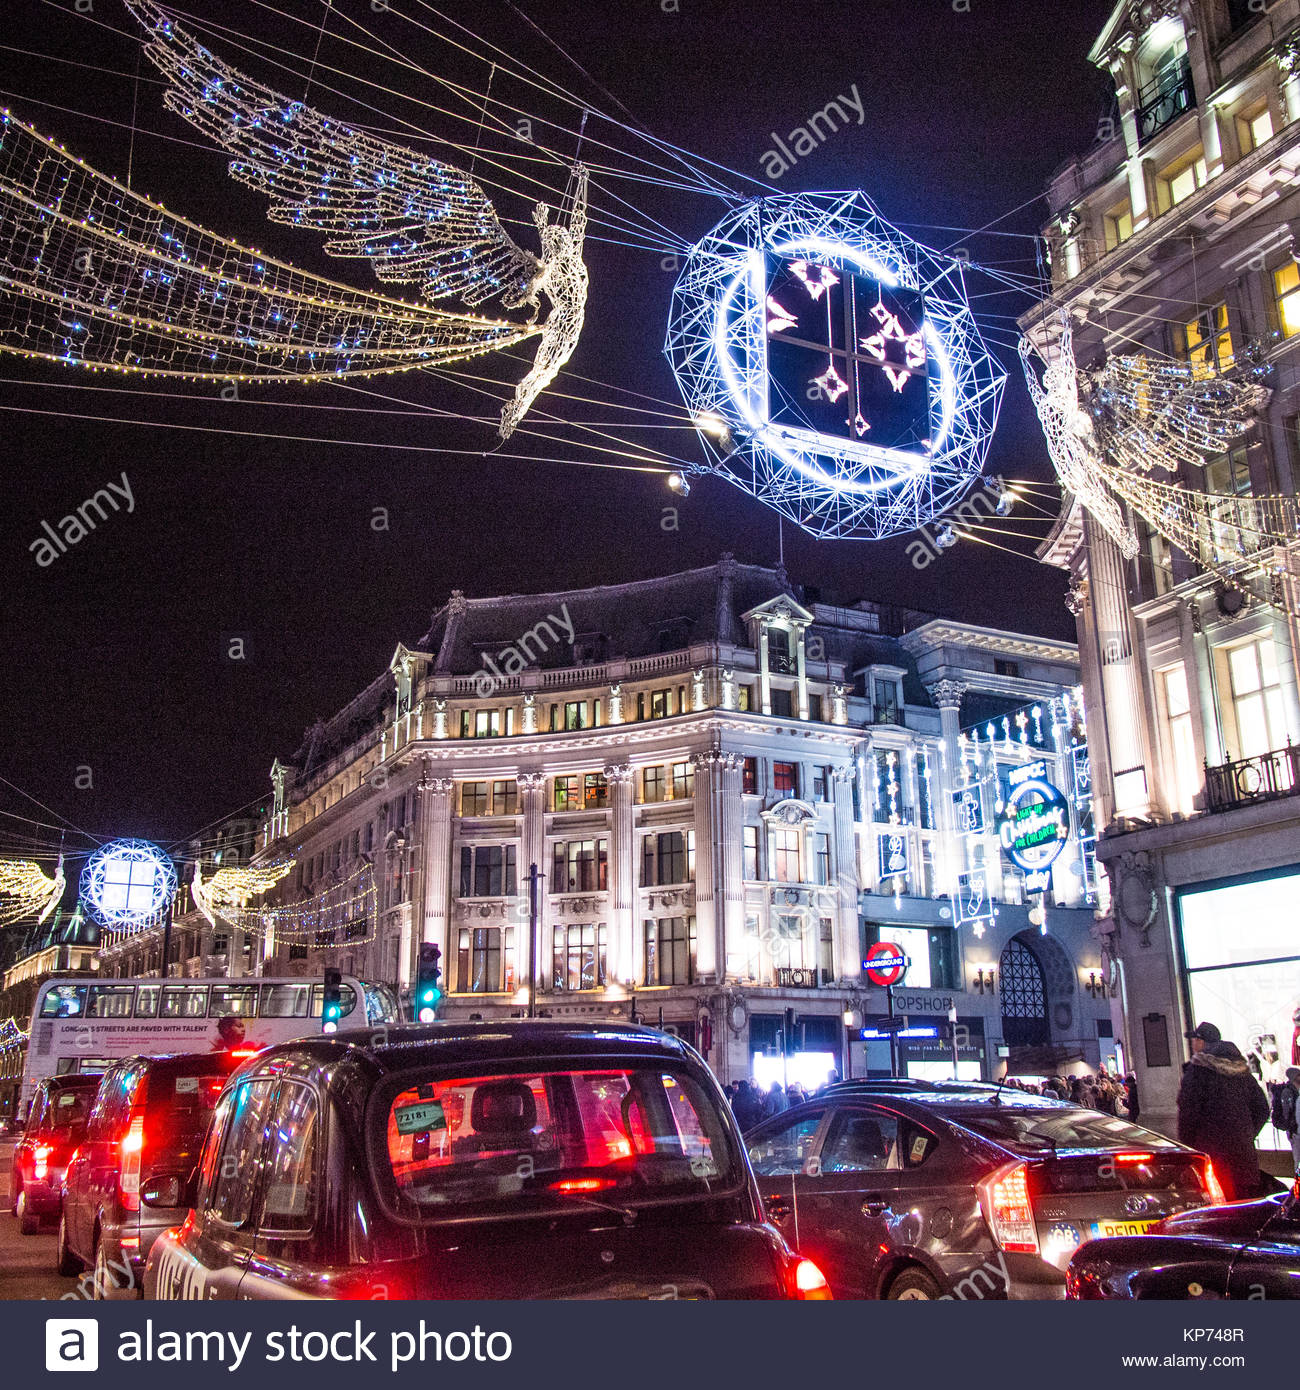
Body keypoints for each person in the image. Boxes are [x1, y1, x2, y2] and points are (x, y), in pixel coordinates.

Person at [1176, 1022, 1271, 1201]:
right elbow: (1262, 1109)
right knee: (1245, 1204)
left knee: (1220, 1207)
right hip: (1243, 1154)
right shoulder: (1242, 1071)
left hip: (1211, 1153)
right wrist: (1245, 1134)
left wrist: (1191, 1144)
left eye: (1195, 1040)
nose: (1193, 1044)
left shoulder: (1198, 1072)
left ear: (1201, 1042)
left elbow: (1188, 1112)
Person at [1273, 1066, 1300, 1177]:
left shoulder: (1295, 1090)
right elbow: (1287, 1113)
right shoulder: (1288, 1092)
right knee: (1298, 1159)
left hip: (1296, 1129)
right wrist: (1291, 1127)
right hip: (1295, 1132)